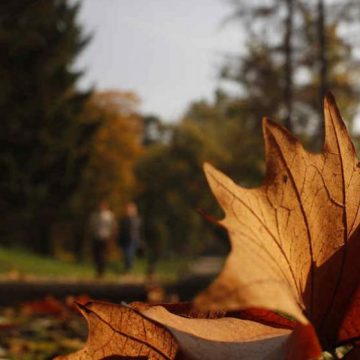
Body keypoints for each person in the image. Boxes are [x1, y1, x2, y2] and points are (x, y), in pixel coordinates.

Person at [88, 200, 116, 277]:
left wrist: (112, 235)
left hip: (105, 236)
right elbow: (91, 226)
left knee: (102, 254)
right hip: (96, 236)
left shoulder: (109, 215)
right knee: (96, 254)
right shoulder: (94, 215)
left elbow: (113, 226)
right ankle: (98, 270)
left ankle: (102, 271)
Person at [118, 202, 142, 272]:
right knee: (125, 255)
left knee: (129, 254)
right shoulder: (123, 220)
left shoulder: (137, 219)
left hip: (133, 239)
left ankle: (129, 268)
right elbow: (121, 230)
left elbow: (138, 231)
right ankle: (127, 268)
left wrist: (139, 241)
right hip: (124, 239)